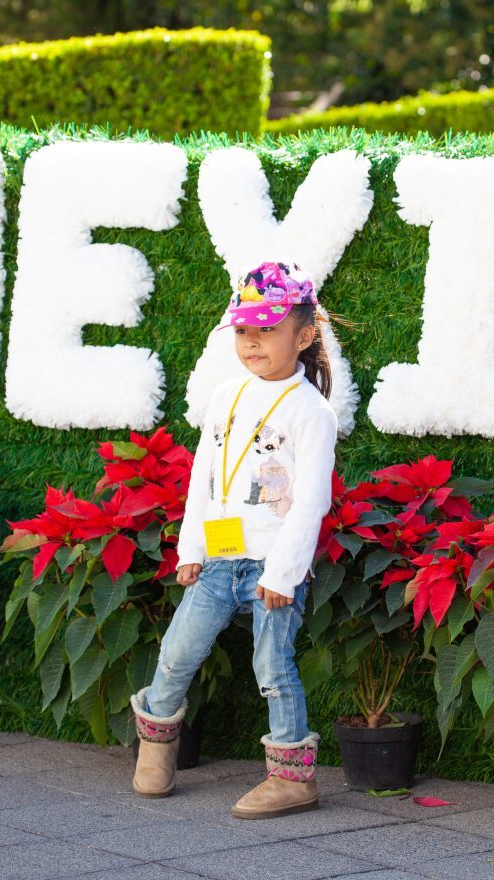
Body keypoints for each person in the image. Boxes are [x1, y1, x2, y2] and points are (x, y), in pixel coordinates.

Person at [129, 260, 338, 819]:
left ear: (304, 335)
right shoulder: (226, 395)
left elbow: (312, 501)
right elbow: (206, 476)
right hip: (221, 558)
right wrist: (191, 549)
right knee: (178, 651)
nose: (251, 341)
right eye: (244, 330)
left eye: (267, 329)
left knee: (273, 666)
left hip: (273, 564)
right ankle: (156, 747)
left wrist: (283, 574)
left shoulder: (311, 411)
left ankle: (292, 780)